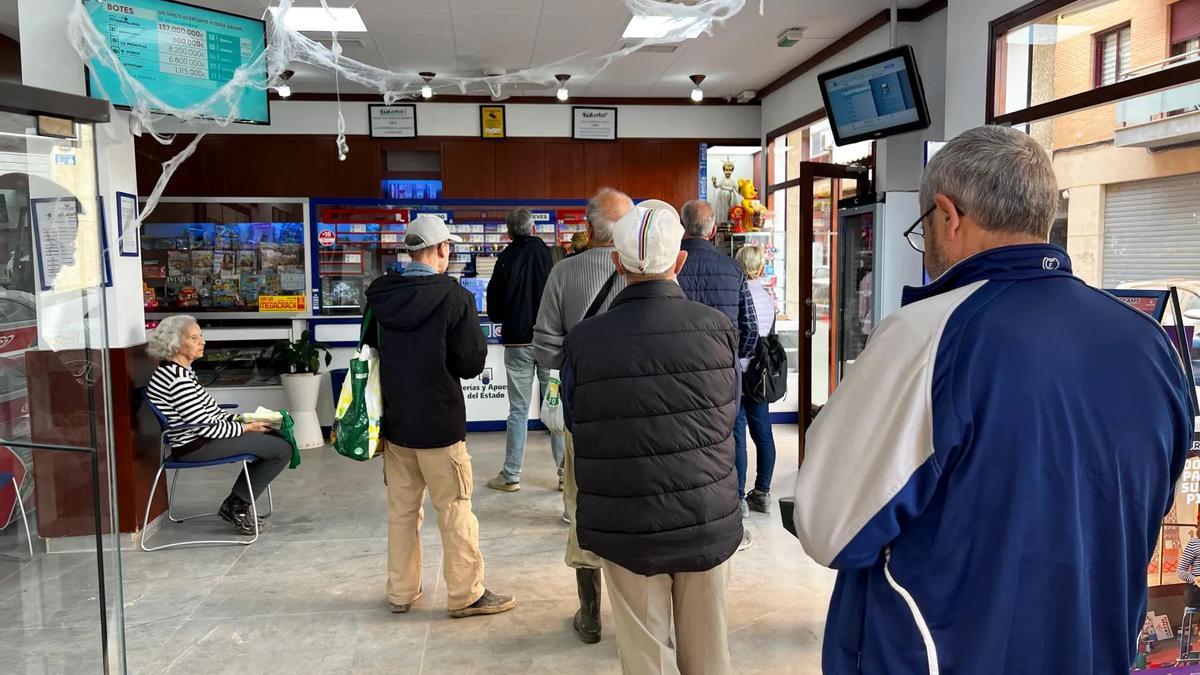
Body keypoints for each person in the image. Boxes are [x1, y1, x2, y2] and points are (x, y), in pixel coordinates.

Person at [792, 126, 1193, 674]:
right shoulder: (1148, 344)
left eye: (924, 227)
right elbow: (1150, 502)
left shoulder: (927, 336)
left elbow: (829, 525)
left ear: (948, 214)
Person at [564, 204, 741, 675]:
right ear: (679, 262)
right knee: (710, 655)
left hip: (628, 521)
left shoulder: (584, 340)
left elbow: (576, 418)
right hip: (706, 514)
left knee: (646, 657)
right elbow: (728, 413)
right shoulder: (718, 329)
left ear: (618, 264)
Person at [363, 214, 516, 619]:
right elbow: (468, 364)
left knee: (401, 513)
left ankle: (400, 592)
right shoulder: (455, 298)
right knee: (454, 509)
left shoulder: (379, 295)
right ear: (442, 250)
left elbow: (369, 351)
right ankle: (466, 594)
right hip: (441, 426)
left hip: (396, 428)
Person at [533, 187, 632, 644]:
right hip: (638, 418)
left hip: (585, 416)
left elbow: (546, 347)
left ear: (588, 228)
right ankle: (638, 609)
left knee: (582, 506)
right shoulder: (643, 274)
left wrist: (575, 364)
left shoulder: (563, 273)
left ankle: (590, 612)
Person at [146, 315, 291, 535]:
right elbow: (205, 427)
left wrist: (243, 419)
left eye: (200, 336)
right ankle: (235, 506)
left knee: (274, 438)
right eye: (194, 338)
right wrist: (247, 427)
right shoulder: (178, 380)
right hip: (196, 446)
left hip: (201, 438)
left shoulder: (179, 371)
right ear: (174, 344)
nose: (202, 342)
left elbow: (209, 414)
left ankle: (236, 504)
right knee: (281, 449)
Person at [484, 208, 564, 493]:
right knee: (555, 406)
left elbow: (493, 309)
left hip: (517, 343)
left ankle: (511, 475)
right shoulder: (553, 256)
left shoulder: (505, 258)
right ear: (533, 229)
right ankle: (565, 474)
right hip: (550, 343)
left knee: (518, 410)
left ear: (509, 233)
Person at [677, 199, 758, 387]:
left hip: (679, 369)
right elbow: (750, 325)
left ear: (682, 226)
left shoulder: (669, 266)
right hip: (723, 370)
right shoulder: (733, 268)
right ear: (713, 231)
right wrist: (735, 358)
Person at [732, 244, 777, 514]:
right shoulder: (768, 298)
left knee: (737, 433)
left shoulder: (737, 294)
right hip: (760, 376)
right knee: (763, 433)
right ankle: (762, 492)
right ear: (760, 268)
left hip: (738, 371)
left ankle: (738, 497)